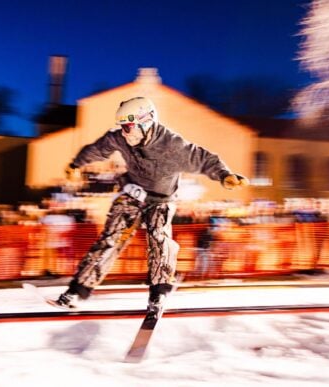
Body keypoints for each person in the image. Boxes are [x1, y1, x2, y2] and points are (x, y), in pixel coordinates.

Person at [54, 97, 249, 318]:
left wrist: (225, 175)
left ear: (145, 122)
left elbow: (204, 159)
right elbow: (98, 149)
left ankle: (159, 291)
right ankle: (78, 290)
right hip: (132, 192)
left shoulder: (172, 145)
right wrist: (76, 164)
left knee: (159, 237)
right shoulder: (119, 138)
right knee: (112, 237)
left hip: (161, 200)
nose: (126, 133)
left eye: (129, 127)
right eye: (123, 128)